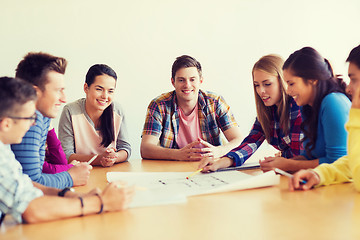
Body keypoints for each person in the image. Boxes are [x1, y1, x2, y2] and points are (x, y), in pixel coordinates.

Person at [0, 76, 134, 225]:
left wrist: (72, 195)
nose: (33, 123)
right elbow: (32, 211)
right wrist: (101, 202)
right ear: (6, 124)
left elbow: (25, 184)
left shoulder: (4, 149)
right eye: (29, 118)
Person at [198, 54, 303, 172]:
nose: (261, 91)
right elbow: (251, 142)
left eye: (267, 84)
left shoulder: (297, 108)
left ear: (283, 81)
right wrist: (220, 162)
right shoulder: (267, 112)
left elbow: (298, 156)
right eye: (257, 85)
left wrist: (282, 159)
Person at [261, 47, 351, 173]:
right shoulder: (307, 107)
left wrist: (287, 164)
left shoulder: (333, 102)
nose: (288, 91)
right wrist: (280, 163)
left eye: (291, 84)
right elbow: (310, 157)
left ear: (313, 80)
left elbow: (338, 161)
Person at [11, 52, 91, 188]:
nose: (64, 98)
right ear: (35, 93)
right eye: (58, 90)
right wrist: (70, 177)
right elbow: (31, 183)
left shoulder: (42, 116)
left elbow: (57, 163)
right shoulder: (28, 122)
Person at [140, 55, 242, 161]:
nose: (187, 85)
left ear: (200, 81)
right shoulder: (159, 105)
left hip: (210, 166)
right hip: (172, 168)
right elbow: (145, 148)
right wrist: (177, 154)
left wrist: (218, 151)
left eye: (192, 79)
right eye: (181, 80)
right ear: (173, 82)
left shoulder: (215, 102)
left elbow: (238, 139)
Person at [289, 45, 360, 191]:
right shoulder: (309, 107)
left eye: (354, 80)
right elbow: (351, 162)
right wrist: (318, 175)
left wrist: (356, 114)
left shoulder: (333, 101)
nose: (348, 88)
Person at [58, 64, 131, 167]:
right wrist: (99, 159)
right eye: (99, 89)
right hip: (81, 172)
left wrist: (113, 157)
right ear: (86, 88)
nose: (105, 96)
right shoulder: (70, 111)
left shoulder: (117, 110)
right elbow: (66, 155)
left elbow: (125, 148)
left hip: (111, 172)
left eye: (110, 91)